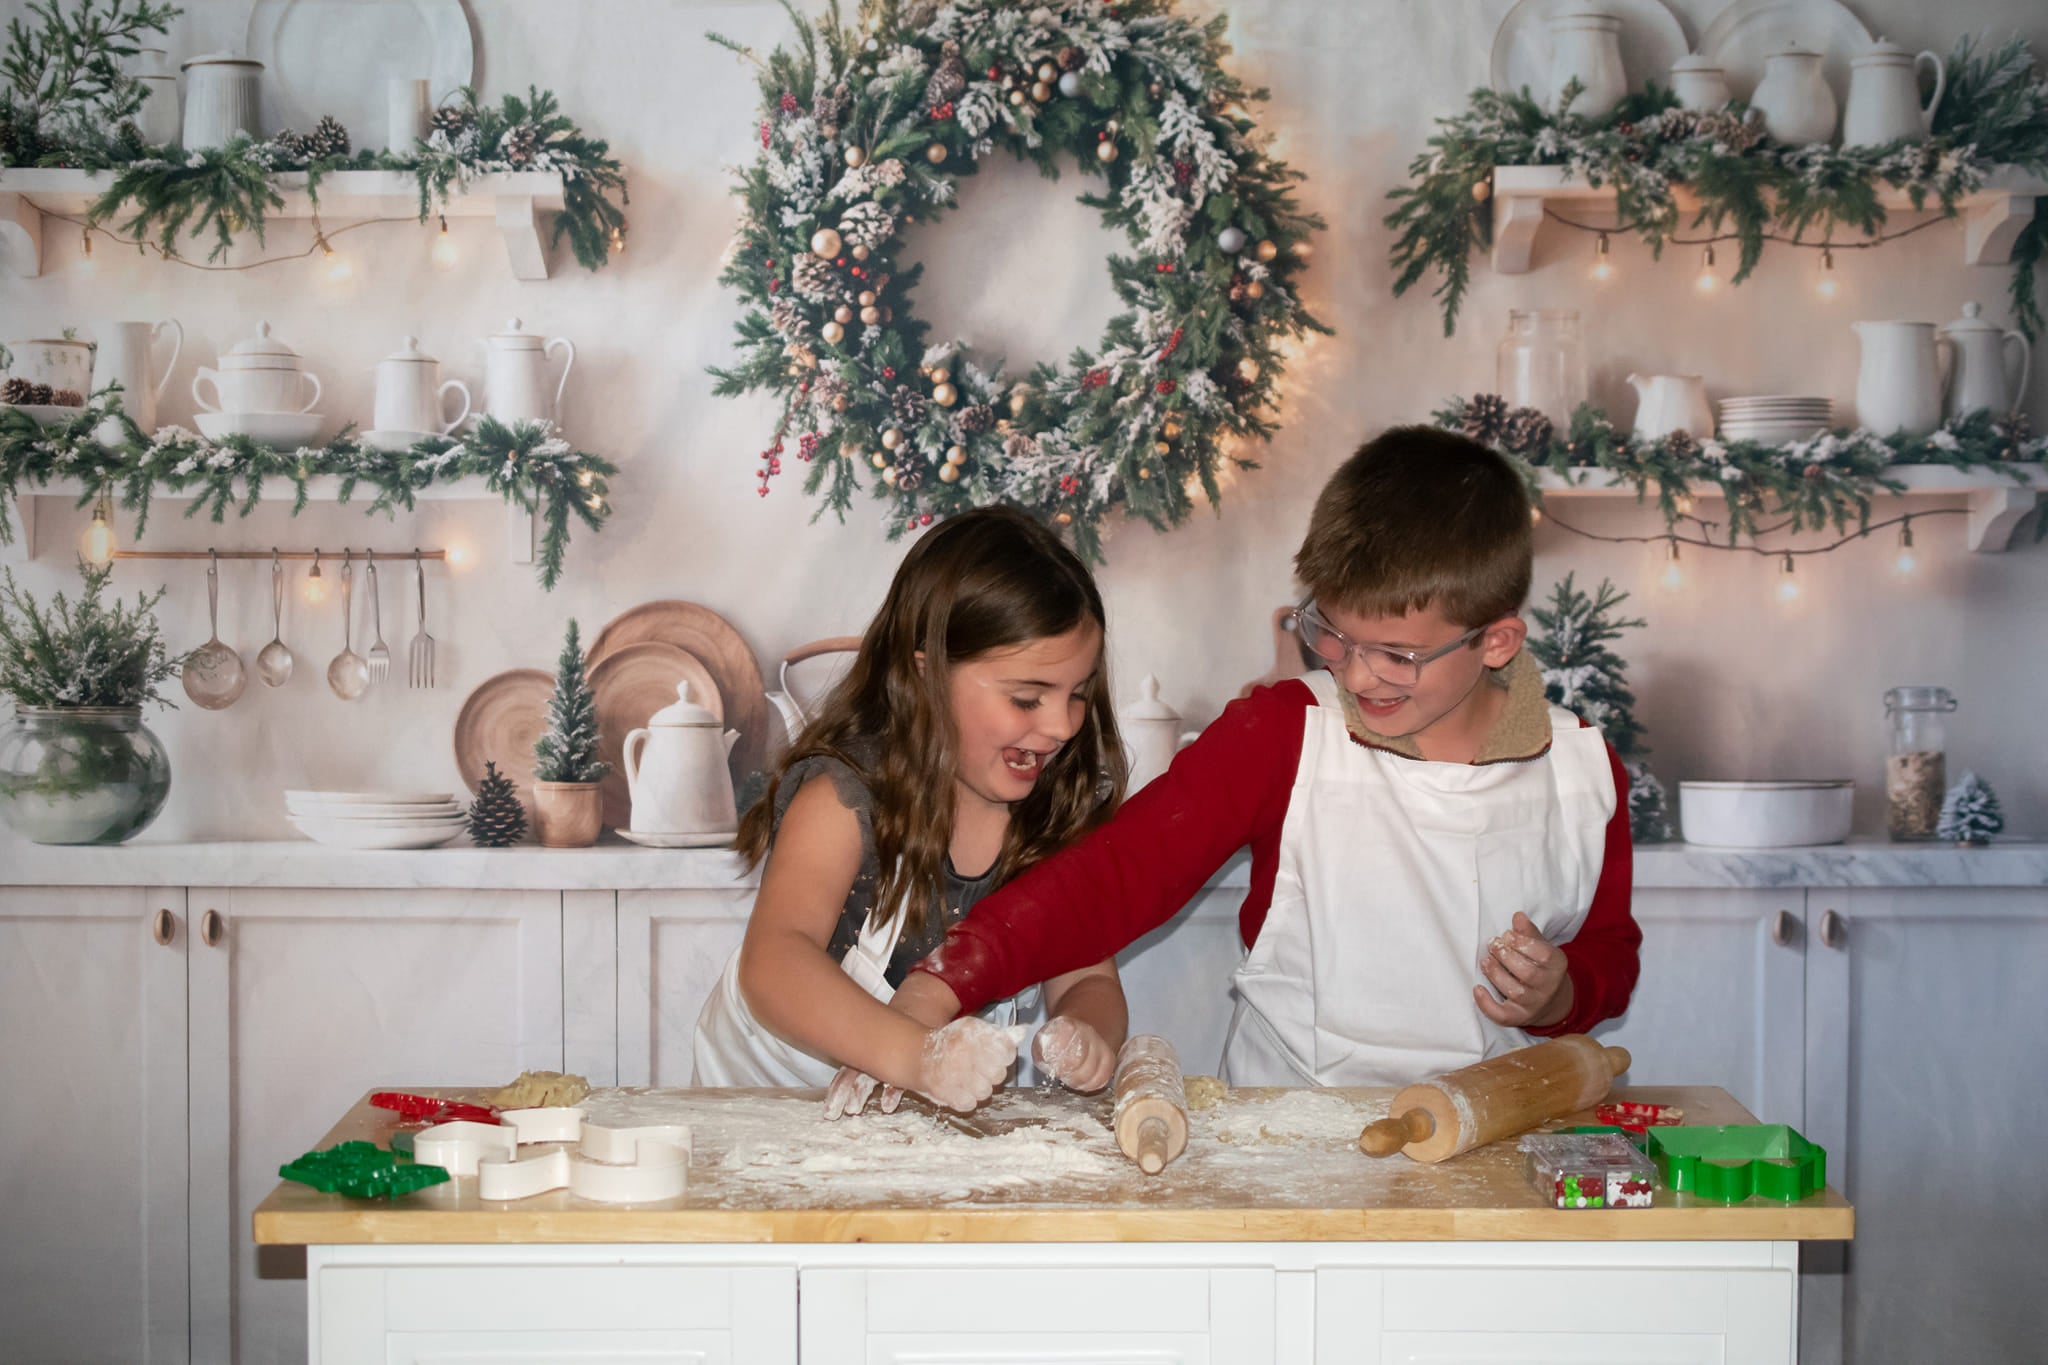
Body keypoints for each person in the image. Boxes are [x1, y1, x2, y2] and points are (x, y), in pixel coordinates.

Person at [876, 426, 1643, 1089]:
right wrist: (946, 979)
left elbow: (1611, 952)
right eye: (1334, 632)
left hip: (1499, 1148)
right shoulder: (1284, 732)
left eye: (1399, 655)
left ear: (1497, 641)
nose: (1358, 671)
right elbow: (1116, 875)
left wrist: (1563, 992)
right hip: (1296, 1140)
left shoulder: (1581, 771)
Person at [692, 505, 1131, 1113]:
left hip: (929, 1108)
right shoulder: (845, 796)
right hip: (775, 1101)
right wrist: (916, 1056)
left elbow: (1087, 977)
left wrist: (1087, 1033)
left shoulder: (1056, 811)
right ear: (926, 677)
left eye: (1078, 695)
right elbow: (775, 964)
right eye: (1027, 698)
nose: (1060, 726)